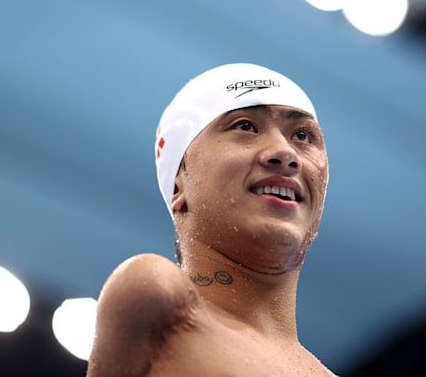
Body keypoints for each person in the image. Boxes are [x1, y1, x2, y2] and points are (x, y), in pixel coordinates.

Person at [86, 63, 335, 376]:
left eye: (302, 135)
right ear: (178, 185)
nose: (285, 153)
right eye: (245, 126)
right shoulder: (160, 303)